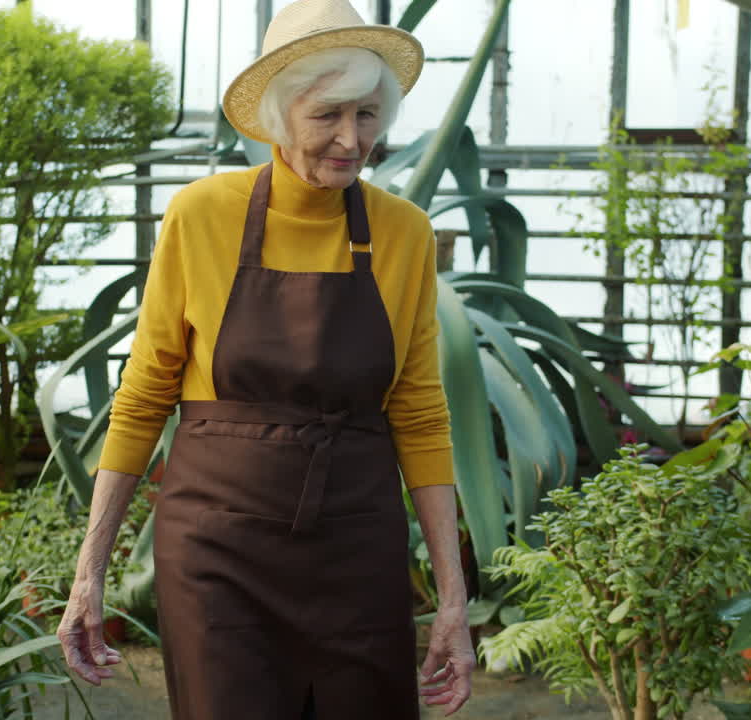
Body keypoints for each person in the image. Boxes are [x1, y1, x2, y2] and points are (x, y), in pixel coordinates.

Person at [56, 0, 474, 717]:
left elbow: (420, 414)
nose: (352, 139)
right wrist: (89, 573)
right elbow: (143, 396)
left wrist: (453, 599)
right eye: (328, 115)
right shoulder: (200, 215)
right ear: (281, 115)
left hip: (356, 548)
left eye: (369, 115)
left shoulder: (404, 233)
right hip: (219, 554)